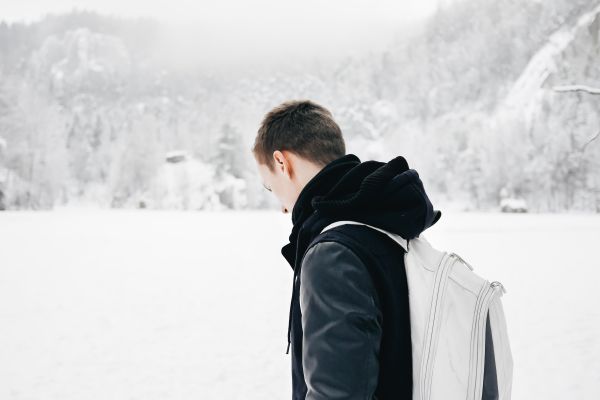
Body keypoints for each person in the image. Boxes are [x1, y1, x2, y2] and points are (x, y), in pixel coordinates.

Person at [252, 99, 441, 400]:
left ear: (281, 162)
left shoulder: (333, 253)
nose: (282, 207)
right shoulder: (388, 229)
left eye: (269, 187)